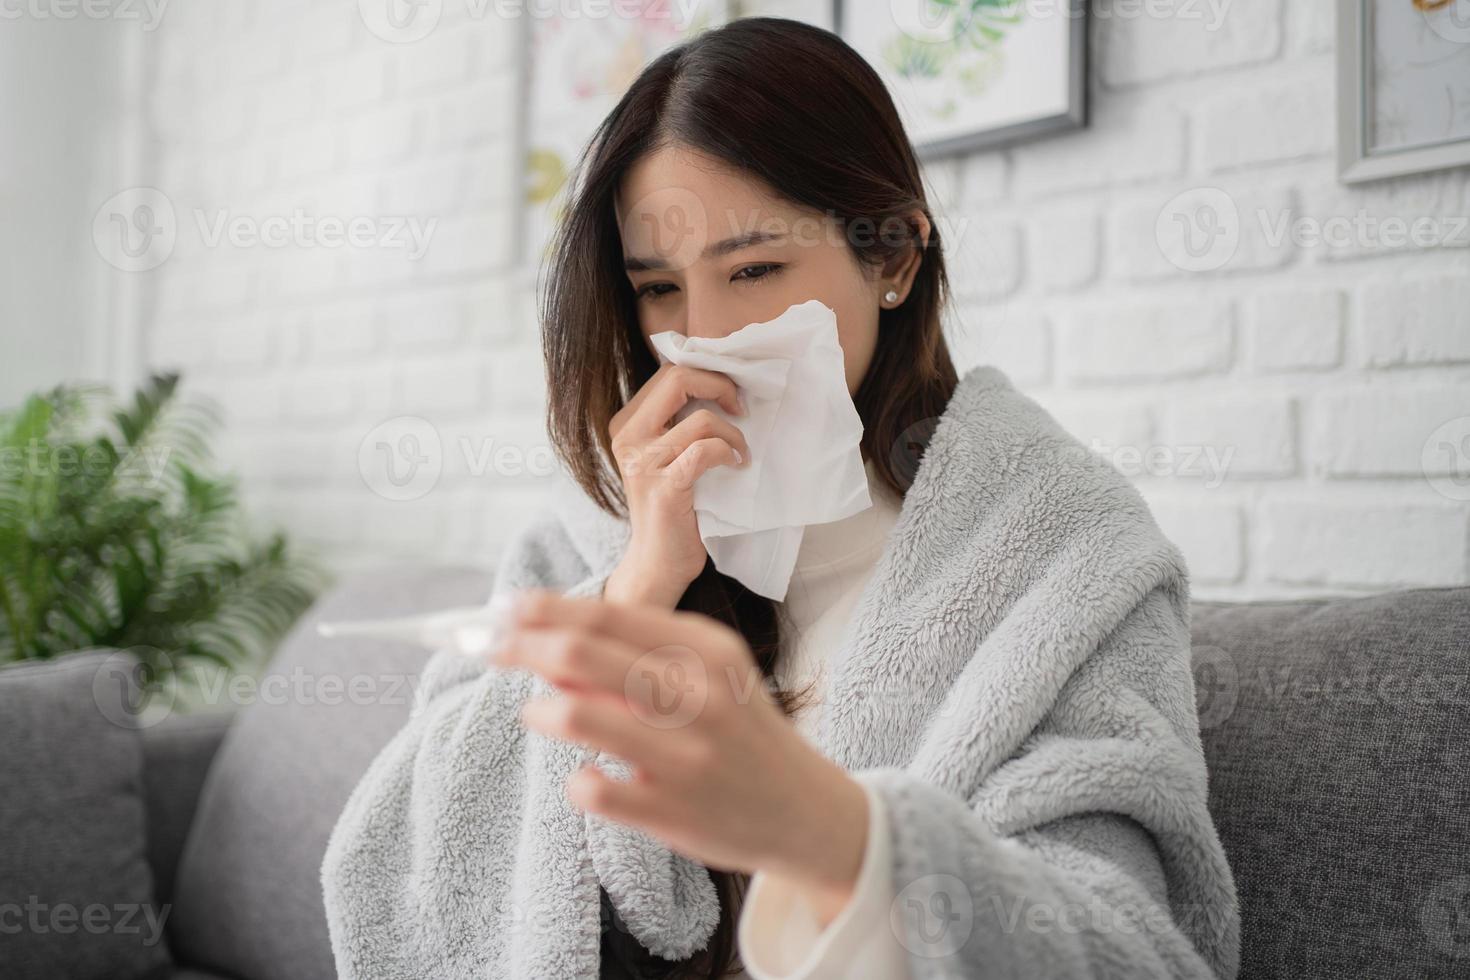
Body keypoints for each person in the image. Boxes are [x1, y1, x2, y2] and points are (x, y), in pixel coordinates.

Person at [321, 17, 1240, 980]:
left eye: (755, 271)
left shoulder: (1065, 549)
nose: (706, 336)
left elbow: (1131, 950)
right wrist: (636, 590)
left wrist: (836, 835)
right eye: (660, 289)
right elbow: (410, 858)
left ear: (893, 259)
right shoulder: (586, 538)